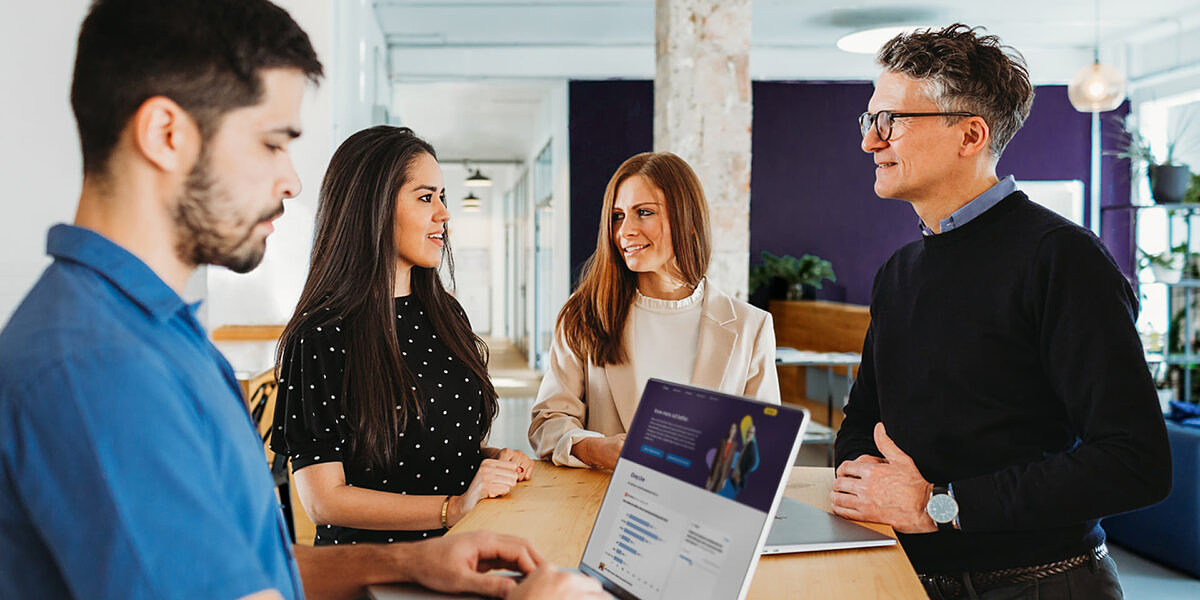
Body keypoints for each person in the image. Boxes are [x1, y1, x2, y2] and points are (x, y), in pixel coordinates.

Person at [0, 1, 603, 598]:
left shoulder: (156, 331)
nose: (290, 181)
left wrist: (415, 560)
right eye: (271, 143)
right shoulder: (97, 366)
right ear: (166, 135)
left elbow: (252, 566)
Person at [830, 24, 1171, 600]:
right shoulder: (898, 272)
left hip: (1043, 584)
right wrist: (867, 483)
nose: (871, 141)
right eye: (870, 119)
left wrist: (938, 504)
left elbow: (1135, 462)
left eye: (891, 120)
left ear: (970, 134)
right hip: (910, 580)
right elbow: (863, 420)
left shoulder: (1063, 258)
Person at [270, 125, 534, 546]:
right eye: (426, 198)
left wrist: (493, 461)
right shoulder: (319, 335)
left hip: (460, 554)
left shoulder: (447, 314)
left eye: (442, 197)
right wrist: (452, 508)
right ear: (372, 207)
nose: (443, 213)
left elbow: (440, 446)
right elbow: (324, 500)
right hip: (373, 567)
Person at [529, 152, 780, 470]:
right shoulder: (583, 315)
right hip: (603, 497)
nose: (625, 231)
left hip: (704, 500)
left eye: (644, 212)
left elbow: (763, 447)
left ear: (689, 220)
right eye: (618, 216)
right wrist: (594, 448)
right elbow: (548, 421)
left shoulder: (750, 327)